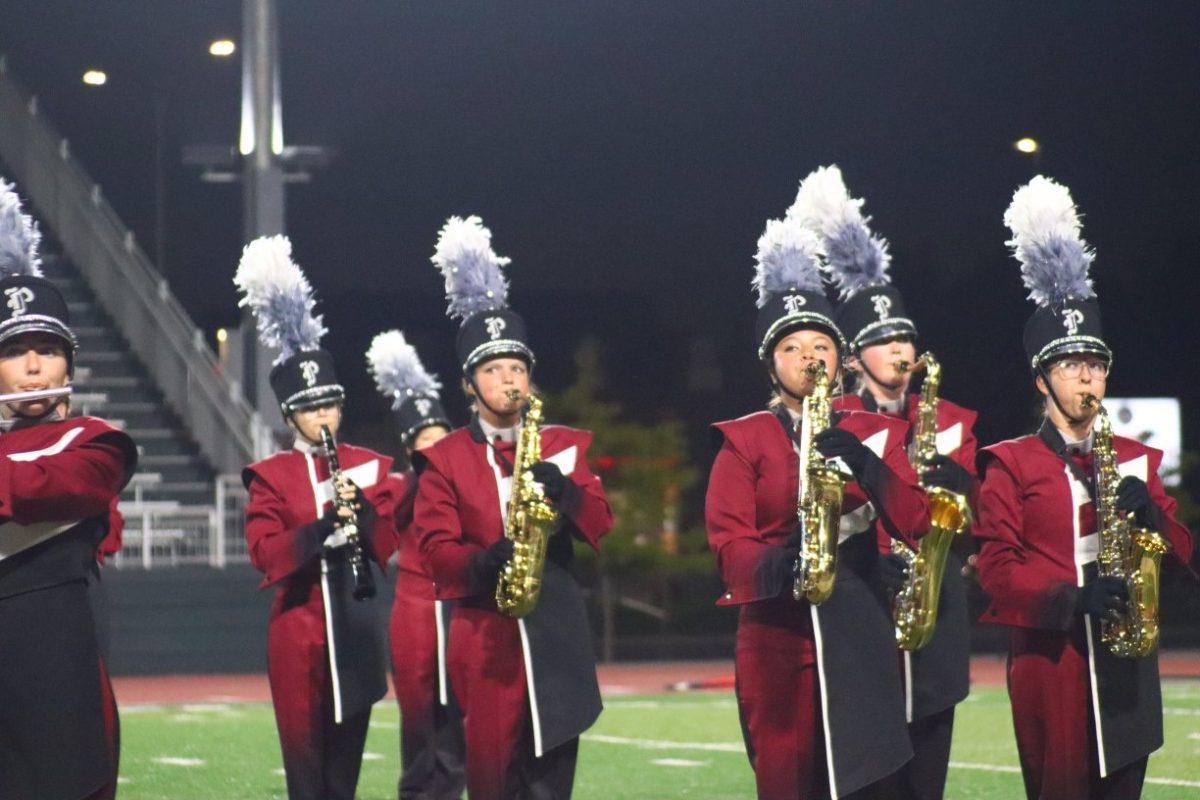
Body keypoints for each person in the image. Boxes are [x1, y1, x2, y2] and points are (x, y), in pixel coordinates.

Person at [974, 176, 1194, 800]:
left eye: (1096, 364)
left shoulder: (1135, 459)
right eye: (1072, 366)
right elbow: (997, 569)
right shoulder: (1009, 462)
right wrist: (1071, 598)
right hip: (1055, 667)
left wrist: (1153, 514)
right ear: (1042, 380)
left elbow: (1182, 553)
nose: (1087, 377)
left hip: (1129, 669)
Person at [705, 202, 931, 799]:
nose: (811, 357)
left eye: (821, 345)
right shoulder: (744, 438)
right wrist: (785, 563)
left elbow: (918, 521)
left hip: (861, 632)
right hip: (777, 638)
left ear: (841, 358)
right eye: (792, 348)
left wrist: (869, 466)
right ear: (770, 365)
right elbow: (728, 544)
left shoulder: (874, 430)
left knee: (872, 784)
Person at [793, 165, 976, 799]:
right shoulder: (834, 420)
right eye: (884, 341)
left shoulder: (950, 422)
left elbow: (979, 526)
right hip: (863, 619)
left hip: (937, 624)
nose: (901, 351)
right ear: (853, 359)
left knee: (927, 782)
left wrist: (963, 490)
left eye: (906, 338)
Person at [415, 216, 613, 800]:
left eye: (518, 368)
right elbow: (434, 552)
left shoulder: (564, 443)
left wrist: (568, 492)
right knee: (493, 780)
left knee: (553, 783)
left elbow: (601, 526)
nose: (509, 380)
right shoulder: (446, 458)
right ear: (469, 386)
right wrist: (486, 560)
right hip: (485, 636)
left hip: (557, 635)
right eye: (493, 370)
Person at [236, 236, 397, 800]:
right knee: (307, 775)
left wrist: (366, 513)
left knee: (344, 774)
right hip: (298, 633)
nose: (322, 416)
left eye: (329, 404)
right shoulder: (270, 474)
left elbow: (391, 540)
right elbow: (265, 553)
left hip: (357, 629)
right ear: (289, 415)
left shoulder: (370, 466)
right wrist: (319, 529)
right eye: (310, 408)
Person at [0, 179, 137, 800]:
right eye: (16, 352)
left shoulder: (98, 441)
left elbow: (62, 488)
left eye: (47, 350)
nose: (32, 367)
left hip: (59, 653)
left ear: (68, 367)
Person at [367, 329, 466, 800]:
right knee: (417, 705)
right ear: (410, 448)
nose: (434, 449)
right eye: (425, 441)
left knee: (458, 707)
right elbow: (384, 529)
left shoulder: (467, 479)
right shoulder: (397, 485)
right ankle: (416, 788)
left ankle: (450, 787)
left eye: (441, 439)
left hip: (457, 600)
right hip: (413, 603)